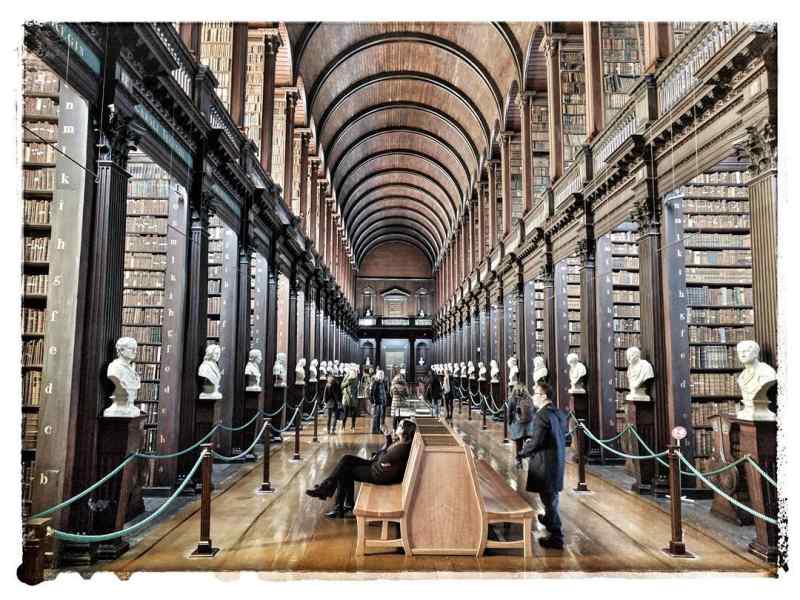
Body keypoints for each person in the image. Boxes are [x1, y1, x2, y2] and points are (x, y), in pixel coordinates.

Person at [306, 419, 418, 518]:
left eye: (400, 426)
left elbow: (385, 458)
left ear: (405, 431)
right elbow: (385, 454)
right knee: (346, 459)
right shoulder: (401, 442)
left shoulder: (402, 447)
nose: (397, 426)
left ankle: (335, 500)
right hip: (378, 467)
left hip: (379, 473)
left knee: (345, 470)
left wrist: (379, 456)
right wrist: (387, 437)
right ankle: (336, 498)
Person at [518, 382, 567, 550]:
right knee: (552, 496)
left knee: (548, 499)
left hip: (545, 462)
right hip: (557, 460)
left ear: (544, 396)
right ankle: (548, 519)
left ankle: (556, 536)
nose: (533, 397)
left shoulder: (541, 416)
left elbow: (537, 441)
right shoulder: (558, 412)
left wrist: (522, 452)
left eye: (535, 393)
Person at [507, 384, 535, 469]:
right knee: (528, 441)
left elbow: (509, 412)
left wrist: (510, 422)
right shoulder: (529, 398)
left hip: (518, 424)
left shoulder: (512, 399)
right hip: (528, 425)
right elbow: (533, 410)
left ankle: (519, 461)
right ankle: (531, 459)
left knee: (518, 444)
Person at [341, 366, 358, 432]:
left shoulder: (356, 380)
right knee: (345, 414)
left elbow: (356, 390)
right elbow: (342, 386)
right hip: (346, 399)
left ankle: (353, 426)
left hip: (353, 399)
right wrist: (347, 382)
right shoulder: (346, 378)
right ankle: (343, 426)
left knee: (353, 414)